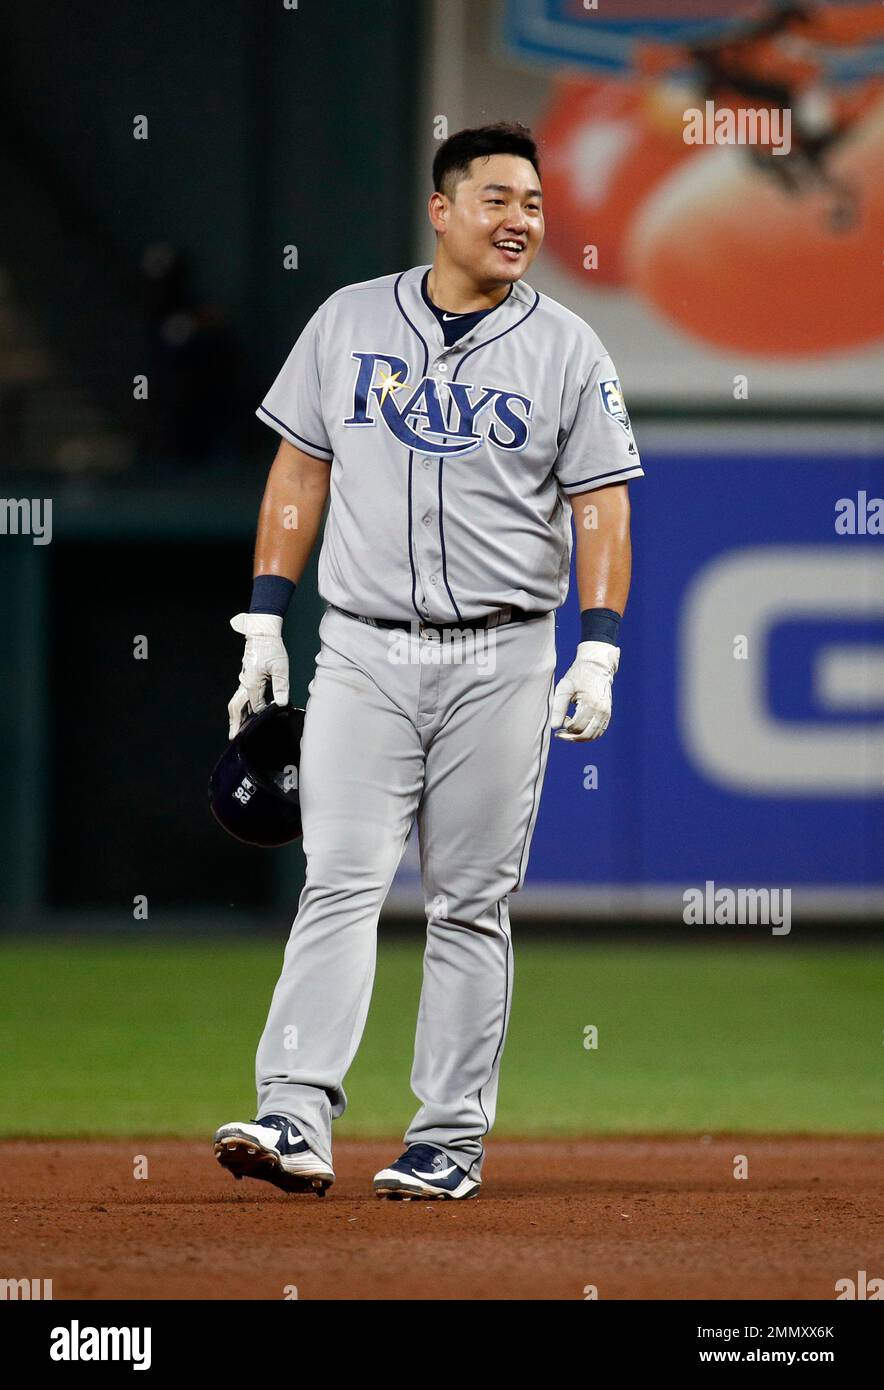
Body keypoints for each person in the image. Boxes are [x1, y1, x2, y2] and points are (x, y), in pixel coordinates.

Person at [213, 123, 642, 1201]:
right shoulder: (349, 318)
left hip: (501, 655)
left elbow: (601, 504)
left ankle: (446, 1138)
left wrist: (597, 647)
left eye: (534, 205)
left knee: (466, 902)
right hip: (359, 648)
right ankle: (292, 1112)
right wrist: (265, 619)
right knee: (338, 882)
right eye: (497, 198)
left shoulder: (567, 349)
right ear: (441, 210)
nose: (520, 221)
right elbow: (297, 472)